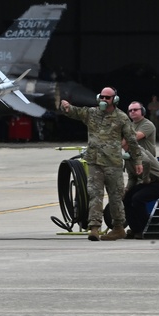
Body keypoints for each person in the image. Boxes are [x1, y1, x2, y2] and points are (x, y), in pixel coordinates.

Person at [60, 87, 143, 241]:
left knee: (116, 197)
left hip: (113, 164)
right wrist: (65, 107)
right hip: (94, 162)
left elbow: (131, 140)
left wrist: (137, 160)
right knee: (94, 195)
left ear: (114, 100)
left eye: (107, 98)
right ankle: (94, 228)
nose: (104, 100)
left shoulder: (121, 117)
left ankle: (118, 228)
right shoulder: (92, 113)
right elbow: (75, 112)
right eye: (102, 97)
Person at [121, 149, 159, 238]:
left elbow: (146, 162)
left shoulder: (138, 150)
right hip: (149, 183)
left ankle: (145, 228)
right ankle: (136, 229)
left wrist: (145, 179)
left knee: (137, 198)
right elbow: (132, 178)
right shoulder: (127, 158)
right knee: (127, 198)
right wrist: (127, 189)